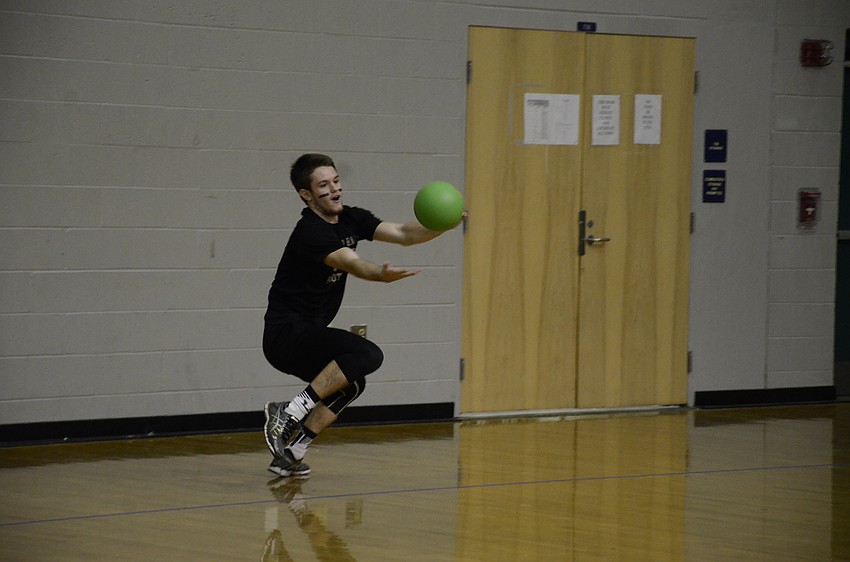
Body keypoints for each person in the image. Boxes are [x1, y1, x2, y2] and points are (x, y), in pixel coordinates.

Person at [262, 153, 459, 477]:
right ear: (306, 195)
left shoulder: (351, 218)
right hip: (285, 336)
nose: (335, 189)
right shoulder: (310, 233)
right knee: (366, 353)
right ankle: (288, 411)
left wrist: (444, 224)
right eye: (323, 185)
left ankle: (292, 452)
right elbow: (351, 263)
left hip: (306, 332)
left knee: (352, 383)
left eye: (336, 181)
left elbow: (405, 234)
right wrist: (379, 274)